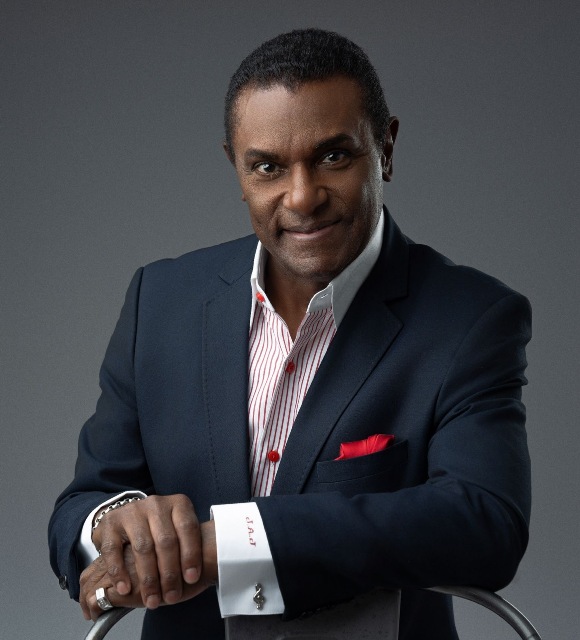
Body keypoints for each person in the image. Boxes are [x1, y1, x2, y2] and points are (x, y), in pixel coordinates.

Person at [48, 28, 532, 640]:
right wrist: (115, 528)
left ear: (385, 148)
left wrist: (233, 542)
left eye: (333, 157)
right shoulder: (160, 300)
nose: (302, 197)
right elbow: (81, 506)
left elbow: (485, 524)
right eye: (268, 167)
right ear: (236, 167)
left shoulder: (471, 318)